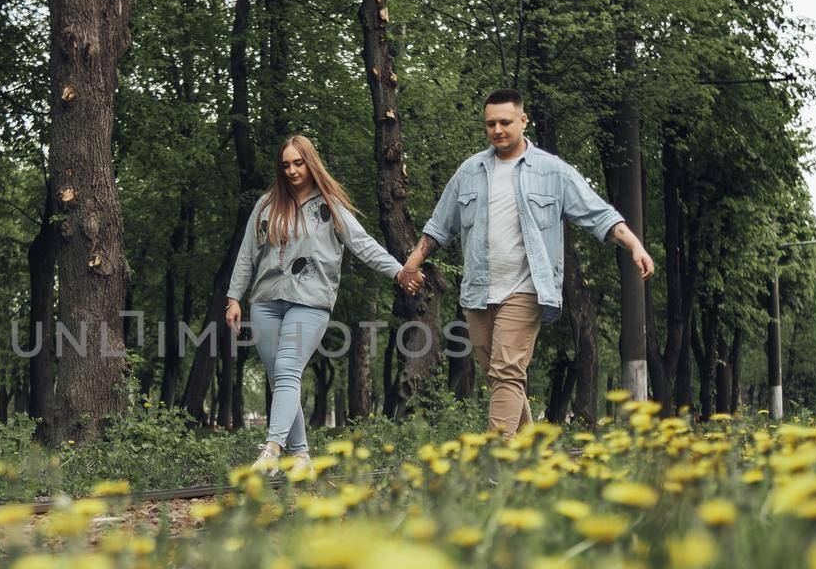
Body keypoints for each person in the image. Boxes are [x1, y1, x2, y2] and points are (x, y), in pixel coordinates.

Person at [401, 88, 654, 438]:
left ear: (523, 120)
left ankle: (498, 464)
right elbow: (439, 226)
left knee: (506, 371)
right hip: (478, 291)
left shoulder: (552, 173)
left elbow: (598, 214)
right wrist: (412, 264)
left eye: (505, 122)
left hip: (526, 290)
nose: (498, 130)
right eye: (490, 123)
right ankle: (531, 455)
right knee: (501, 377)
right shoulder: (469, 172)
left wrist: (634, 245)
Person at [226, 134, 423, 474]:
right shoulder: (266, 205)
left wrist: (398, 272)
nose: (291, 170)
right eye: (285, 164)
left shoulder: (330, 206)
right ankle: (301, 457)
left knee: (287, 370)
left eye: (298, 163)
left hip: (310, 302)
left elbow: (363, 245)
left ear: (310, 162)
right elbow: (247, 254)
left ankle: (271, 451)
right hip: (265, 301)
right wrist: (233, 297)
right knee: (280, 378)